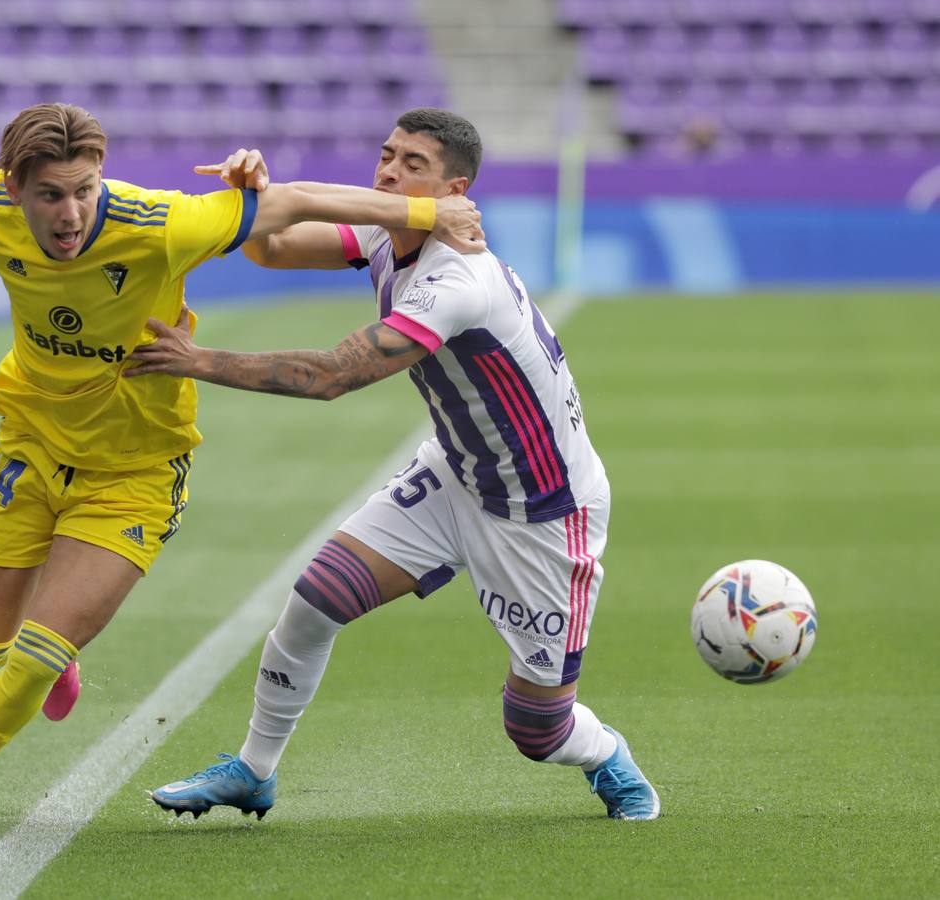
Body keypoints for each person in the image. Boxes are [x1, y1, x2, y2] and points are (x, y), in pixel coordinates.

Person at [0, 103, 485, 843]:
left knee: (33, 656)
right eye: (50, 196)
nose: (70, 214)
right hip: (30, 442)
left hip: (135, 468)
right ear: (13, 191)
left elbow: (288, 202)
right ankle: (50, 646)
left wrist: (430, 210)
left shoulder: (160, 223)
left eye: (85, 189)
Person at [132, 108, 660, 822]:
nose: (388, 171)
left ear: (454, 189)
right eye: (386, 155)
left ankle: (604, 754)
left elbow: (330, 375)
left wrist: (198, 362)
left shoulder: (459, 281)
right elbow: (274, 248)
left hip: (540, 511)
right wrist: (252, 195)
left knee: (536, 730)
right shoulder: (386, 234)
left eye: (413, 163)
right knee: (317, 597)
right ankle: (254, 770)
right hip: (454, 473)